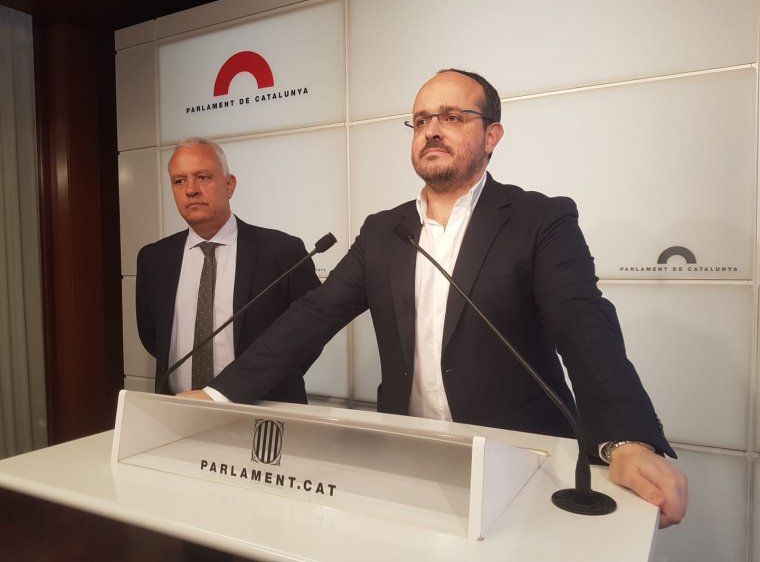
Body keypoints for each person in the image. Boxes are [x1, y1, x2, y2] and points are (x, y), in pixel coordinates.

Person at [178, 71, 688, 527]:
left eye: (453, 117)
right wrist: (219, 395)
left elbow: (583, 323)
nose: (432, 130)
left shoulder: (540, 220)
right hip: (410, 459)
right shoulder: (383, 231)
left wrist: (625, 439)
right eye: (421, 120)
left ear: (492, 135)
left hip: (520, 459)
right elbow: (314, 314)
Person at [136, 137, 321, 402]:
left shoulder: (283, 252)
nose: (191, 190)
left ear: (229, 185)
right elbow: (152, 336)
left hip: (261, 410)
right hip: (180, 411)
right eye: (179, 181)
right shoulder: (154, 259)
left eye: (202, 177)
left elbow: (310, 335)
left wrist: (271, 383)